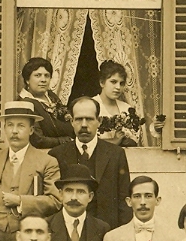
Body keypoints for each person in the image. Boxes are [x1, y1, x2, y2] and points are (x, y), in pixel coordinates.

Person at [0, 100, 64, 241]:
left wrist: (21, 201)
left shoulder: (47, 161)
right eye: (10, 125)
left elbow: (55, 200)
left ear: (31, 130)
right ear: (4, 129)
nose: (14, 131)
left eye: (21, 126)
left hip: (26, 236)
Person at [49, 95, 132, 229]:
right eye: (78, 119)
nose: (83, 125)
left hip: (107, 232)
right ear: (71, 122)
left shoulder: (115, 154)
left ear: (99, 121)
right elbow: (53, 200)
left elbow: (124, 201)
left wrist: (120, 235)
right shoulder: (57, 154)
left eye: (89, 119)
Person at [20, 57, 75, 150]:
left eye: (47, 75)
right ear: (27, 80)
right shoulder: (26, 104)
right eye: (38, 75)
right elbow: (38, 140)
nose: (43, 80)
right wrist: (66, 140)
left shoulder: (51, 96)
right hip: (44, 154)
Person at [95, 59, 148, 146]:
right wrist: (114, 140)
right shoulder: (91, 106)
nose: (118, 87)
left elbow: (134, 139)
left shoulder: (126, 109)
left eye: (121, 83)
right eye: (113, 82)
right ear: (102, 82)